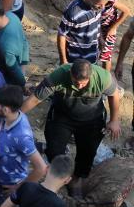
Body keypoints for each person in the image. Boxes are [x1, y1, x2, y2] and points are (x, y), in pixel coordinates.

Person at [22, 59, 122, 195]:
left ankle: (76, 179)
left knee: (88, 152)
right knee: (54, 149)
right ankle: (61, 177)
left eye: (83, 83)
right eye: (76, 82)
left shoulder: (102, 77)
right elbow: (35, 98)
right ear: (70, 74)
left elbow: (114, 94)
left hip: (91, 119)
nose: (79, 86)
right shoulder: (59, 76)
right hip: (62, 116)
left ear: (91, 75)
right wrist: (16, 116)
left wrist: (114, 120)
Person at [57, 0, 111, 64]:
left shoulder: (97, 7)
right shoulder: (73, 12)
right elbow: (61, 35)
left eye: (104, 4)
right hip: (75, 60)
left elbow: (97, 23)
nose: (103, 7)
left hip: (93, 57)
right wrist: (63, 60)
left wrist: (100, 39)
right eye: (99, 4)